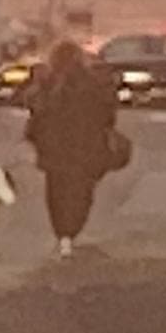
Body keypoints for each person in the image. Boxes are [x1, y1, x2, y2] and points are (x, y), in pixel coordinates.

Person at [23, 38, 123, 260]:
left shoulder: (48, 83)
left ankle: (63, 238)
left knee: (57, 194)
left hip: (55, 151)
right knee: (82, 193)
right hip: (86, 149)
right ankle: (71, 234)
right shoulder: (93, 83)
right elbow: (108, 115)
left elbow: (34, 110)